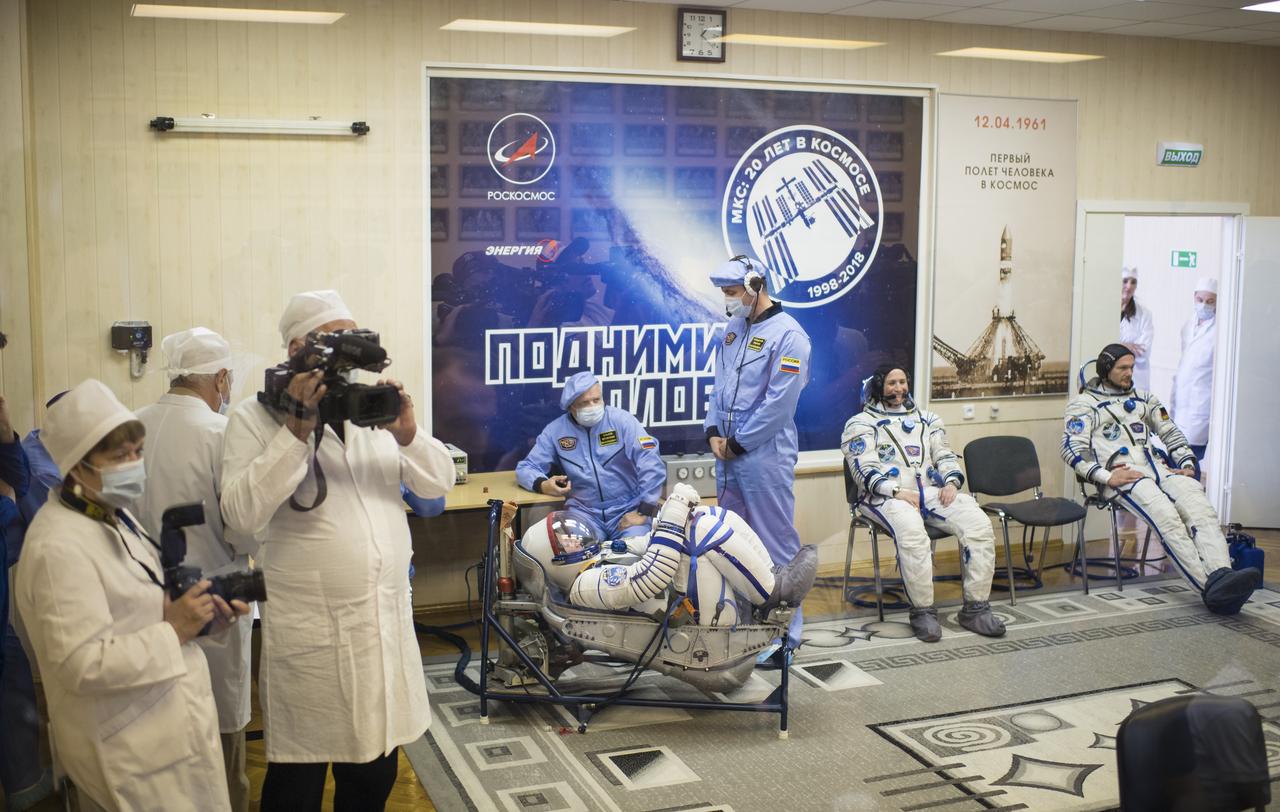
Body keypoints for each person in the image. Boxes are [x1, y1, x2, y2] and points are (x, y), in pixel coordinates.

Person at [220, 290, 456, 812]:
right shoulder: (254, 419)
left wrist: (409, 435)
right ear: (299, 348)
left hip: (382, 623)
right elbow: (240, 516)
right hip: (313, 633)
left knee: (375, 770)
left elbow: (438, 485)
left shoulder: (373, 408)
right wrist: (295, 432)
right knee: (297, 781)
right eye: (336, 340)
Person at [14, 379, 248, 811]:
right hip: (128, 754)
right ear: (77, 467)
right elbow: (80, 665)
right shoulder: (57, 547)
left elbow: (144, 607)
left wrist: (203, 617)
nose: (134, 465)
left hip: (169, 733)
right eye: (119, 457)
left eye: (137, 452)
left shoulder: (113, 517)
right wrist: (174, 630)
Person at [135, 327, 255, 812]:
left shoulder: (132, 428)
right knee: (220, 750)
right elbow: (244, 530)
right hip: (212, 604)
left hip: (147, 608)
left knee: (160, 740)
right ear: (222, 378)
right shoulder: (221, 434)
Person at [1062, 344, 1259, 614]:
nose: (1129, 373)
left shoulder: (1145, 399)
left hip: (1159, 470)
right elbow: (1072, 449)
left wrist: (1188, 464)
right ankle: (1209, 587)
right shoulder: (1084, 404)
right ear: (1106, 370)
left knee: (1200, 508)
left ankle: (1223, 574)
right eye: (1123, 368)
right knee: (1167, 518)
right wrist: (1107, 477)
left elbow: (1171, 433)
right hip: (1123, 476)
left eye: (1131, 367)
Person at [841, 366, 1006, 642]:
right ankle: (923, 612)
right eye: (891, 383)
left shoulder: (928, 420)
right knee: (913, 533)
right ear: (879, 386)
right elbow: (863, 469)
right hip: (883, 495)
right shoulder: (860, 424)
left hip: (929, 491)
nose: (898, 388)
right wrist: (895, 490)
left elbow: (944, 455)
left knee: (978, 523)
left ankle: (976, 608)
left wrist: (952, 483)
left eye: (902, 382)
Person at [704, 255, 811, 647]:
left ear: (755, 285)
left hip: (764, 456)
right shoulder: (734, 328)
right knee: (733, 542)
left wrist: (739, 442)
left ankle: (786, 634)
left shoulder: (790, 336)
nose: (727, 300)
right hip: (728, 458)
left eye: (732, 292)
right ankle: (744, 627)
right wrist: (713, 431)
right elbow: (719, 384)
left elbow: (780, 404)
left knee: (775, 543)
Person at [519, 483, 817, 624]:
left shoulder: (595, 558)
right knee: (700, 531)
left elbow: (647, 544)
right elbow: (649, 576)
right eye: (565, 541)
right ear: (553, 560)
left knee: (706, 515)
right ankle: (771, 593)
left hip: (690, 605)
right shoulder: (584, 585)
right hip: (691, 623)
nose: (576, 539)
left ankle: (770, 579)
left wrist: (670, 520)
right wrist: (673, 513)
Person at [516, 371, 665, 541]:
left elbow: (651, 462)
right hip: (584, 513)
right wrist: (543, 485)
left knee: (634, 553)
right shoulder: (555, 431)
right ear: (571, 406)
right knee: (573, 554)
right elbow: (526, 468)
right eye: (585, 403)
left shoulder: (623, 422)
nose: (593, 406)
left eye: (597, 400)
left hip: (627, 509)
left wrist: (643, 511)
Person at [1170, 277, 1218, 461]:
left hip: (1200, 406)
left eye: (1210, 301)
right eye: (1200, 300)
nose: (1204, 305)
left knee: (1191, 460)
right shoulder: (1188, 326)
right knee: (1174, 455)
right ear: (1194, 298)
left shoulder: (1218, 331)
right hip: (1181, 400)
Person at [1119, 267, 1154, 392]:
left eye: (1133, 282)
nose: (1129, 286)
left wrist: (1116, 346)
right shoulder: (1104, 309)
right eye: (1125, 281)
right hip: (1110, 378)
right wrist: (1126, 346)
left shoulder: (1144, 314)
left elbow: (1142, 351)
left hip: (1136, 380)